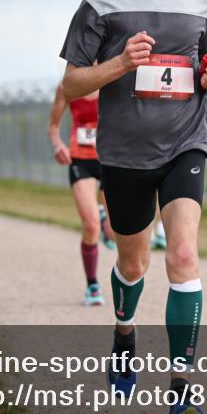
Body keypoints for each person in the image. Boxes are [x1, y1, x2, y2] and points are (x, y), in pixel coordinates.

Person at [60, 0, 207, 414]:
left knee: (183, 255)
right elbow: (71, 83)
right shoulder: (102, 1)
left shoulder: (203, 0)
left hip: (185, 144)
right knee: (133, 264)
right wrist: (119, 64)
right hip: (125, 155)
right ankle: (124, 333)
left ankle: (182, 388)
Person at [47, 84, 117, 306]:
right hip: (80, 160)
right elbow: (53, 126)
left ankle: (105, 219)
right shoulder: (68, 86)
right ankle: (92, 285)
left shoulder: (112, 81)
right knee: (91, 226)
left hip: (111, 159)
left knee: (114, 232)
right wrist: (58, 146)